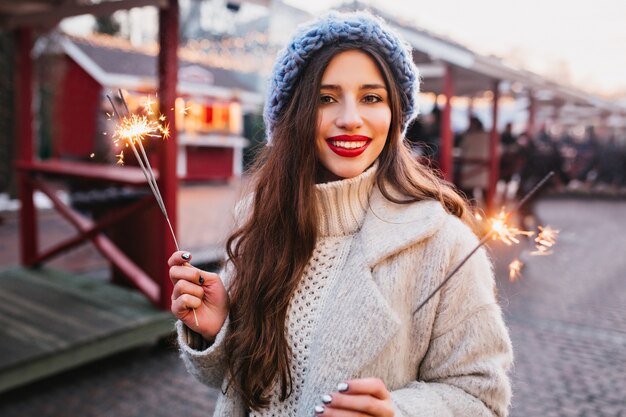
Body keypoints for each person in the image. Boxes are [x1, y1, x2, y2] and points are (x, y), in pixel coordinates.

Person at [169, 11, 513, 417]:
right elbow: (236, 383)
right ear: (294, 115)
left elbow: (482, 398)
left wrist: (399, 412)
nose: (350, 119)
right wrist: (218, 330)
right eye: (326, 98)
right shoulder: (260, 221)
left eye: (371, 98)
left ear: (395, 114)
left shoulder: (443, 243)